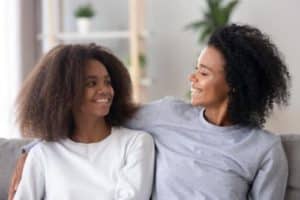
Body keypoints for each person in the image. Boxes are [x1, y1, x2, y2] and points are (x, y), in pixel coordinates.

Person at [10, 24, 290, 200]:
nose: (191, 78)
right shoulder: (166, 114)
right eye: (195, 68)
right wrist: (32, 149)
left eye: (203, 73)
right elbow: (98, 115)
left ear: (235, 85)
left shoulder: (264, 149)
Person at [12, 44, 155, 200]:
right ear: (65, 93)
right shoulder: (43, 153)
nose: (105, 90)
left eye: (108, 82)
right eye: (91, 83)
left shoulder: (135, 143)